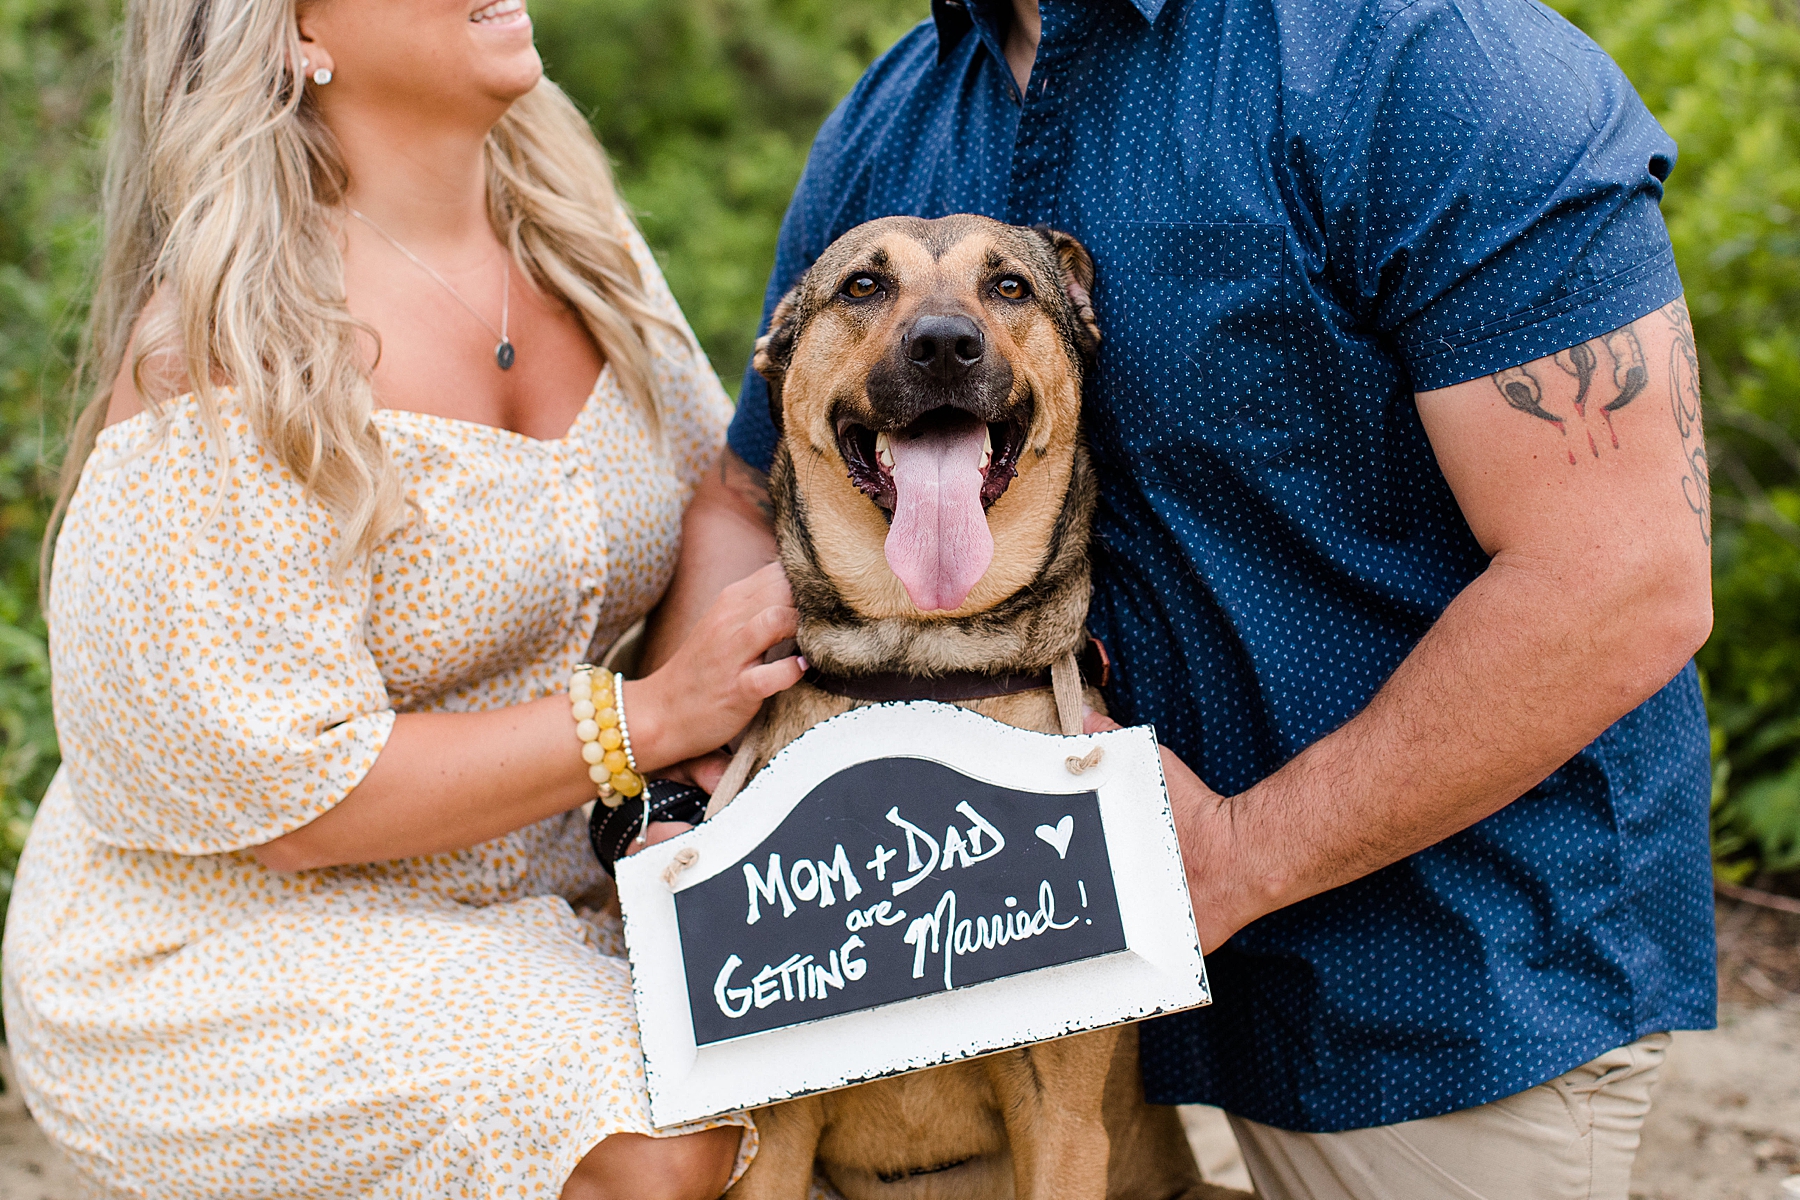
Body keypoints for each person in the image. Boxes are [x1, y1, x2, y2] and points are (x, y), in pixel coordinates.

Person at [667, 0, 1718, 1196]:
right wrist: (692, 773)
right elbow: (748, 490)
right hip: (987, 969)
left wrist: (1232, 857)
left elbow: (1621, 577)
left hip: (1433, 974)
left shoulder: (1435, 64)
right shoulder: (890, 116)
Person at [1, 1, 804, 1197]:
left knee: (821, 1056)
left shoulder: (581, 244)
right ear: (294, 31)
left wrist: (683, 793)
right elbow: (288, 802)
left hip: (556, 884)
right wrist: (643, 724)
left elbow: (717, 504)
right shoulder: (230, 352)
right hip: (232, 936)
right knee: (655, 1139)